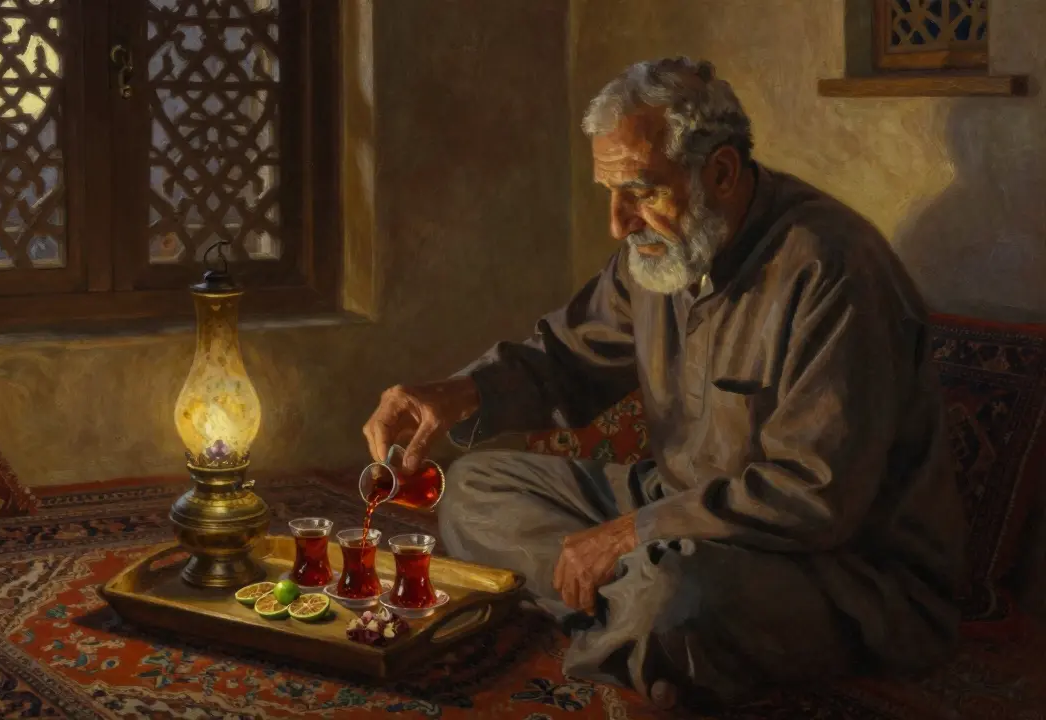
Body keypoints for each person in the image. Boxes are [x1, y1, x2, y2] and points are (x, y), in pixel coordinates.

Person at [361, 57, 964, 712]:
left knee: (680, 593)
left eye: (643, 192)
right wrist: (459, 394)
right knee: (476, 492)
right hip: (679, 515)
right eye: (609, 194)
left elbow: (813, 497)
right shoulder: (656, 254)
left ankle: (626, 619)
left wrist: (630, 534)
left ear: (723, 173)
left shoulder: (832, 271)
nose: (618, 224)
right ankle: (635, 620)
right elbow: (565, 356)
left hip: (834, 569)